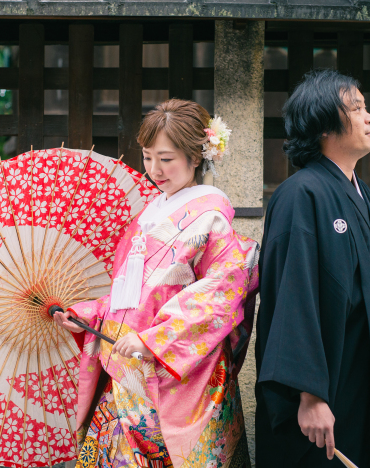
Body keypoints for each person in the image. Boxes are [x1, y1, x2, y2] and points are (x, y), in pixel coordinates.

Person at [53, 99, 260, 468]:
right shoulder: (149, 214)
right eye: (148, 157)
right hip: (127, 366)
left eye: (166, 159)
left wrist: (155, 339)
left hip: (179, 370)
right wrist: (86, 316)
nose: (154, 170)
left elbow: (221, 295)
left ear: (197, 156)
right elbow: (128, 297)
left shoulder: (211, 216)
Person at [254, 69, 370, 468]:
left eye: (366, 108)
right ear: (323, 123)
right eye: (357, 108)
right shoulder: (300, 195)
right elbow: (291, 298)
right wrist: (308, 395)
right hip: (327, 386)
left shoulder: (361, 193)